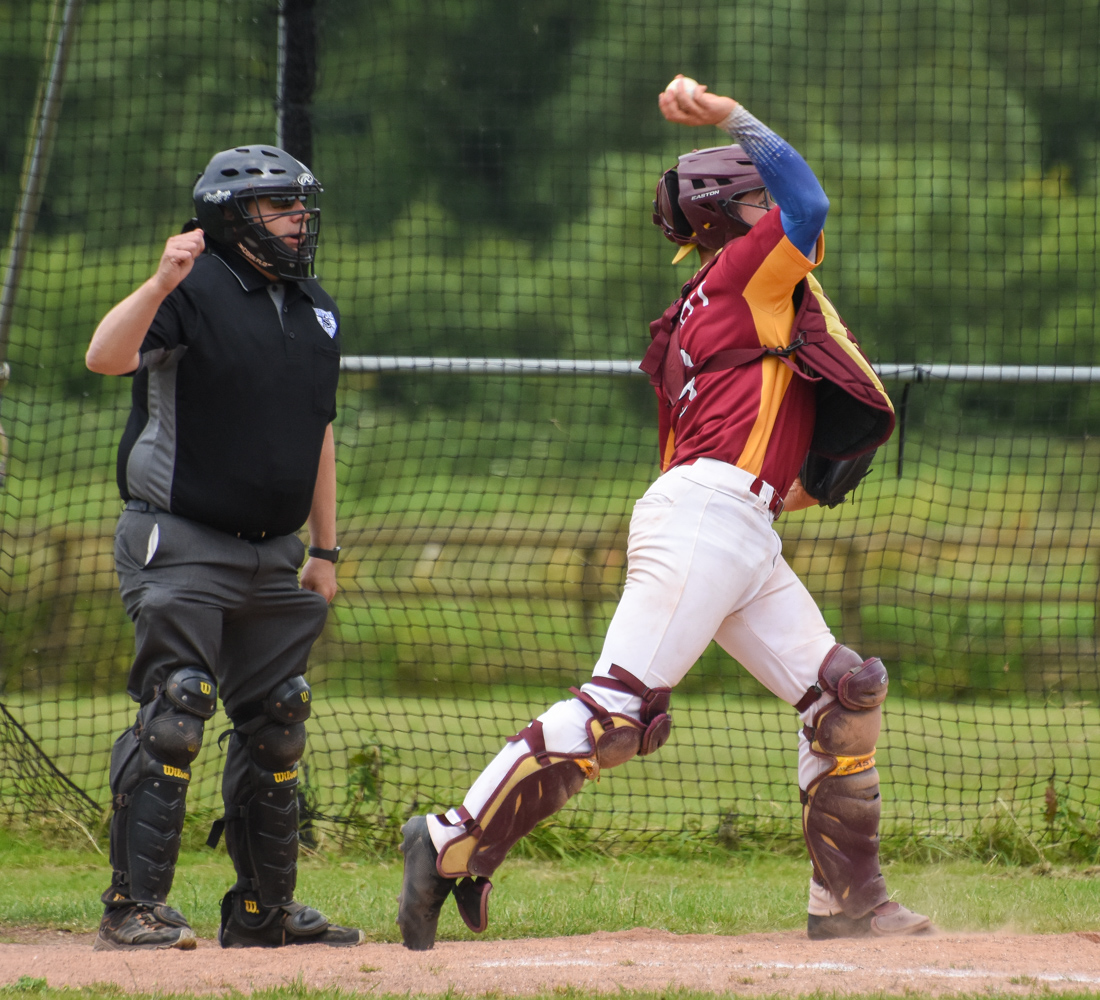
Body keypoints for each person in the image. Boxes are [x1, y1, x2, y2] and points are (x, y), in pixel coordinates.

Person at [395, 78, 934, 949]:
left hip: (737, 525)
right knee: (618, 712)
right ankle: (446, 837)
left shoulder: (712, 304)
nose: (772, 216)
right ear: (727, 214)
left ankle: (850, 904)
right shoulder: (743, 271)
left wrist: (795, 472)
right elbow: (809, 202)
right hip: (708, 518)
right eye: (754, 201)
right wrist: (731, 117)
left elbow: (748, 437)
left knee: (844, 697)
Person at [85, 145, 363, 951]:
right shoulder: (192, 287)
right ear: (235, 216)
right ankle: (132, 908)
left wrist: (325, 551)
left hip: (275, 555)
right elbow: (105, 358)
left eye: (303, 207)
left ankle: (261, 912)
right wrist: (158, 283)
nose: (299, 221)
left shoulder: (314, 307)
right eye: (282, 207)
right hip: (180, 542)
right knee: (178, 708)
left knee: (280, 718)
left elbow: (318, 432)